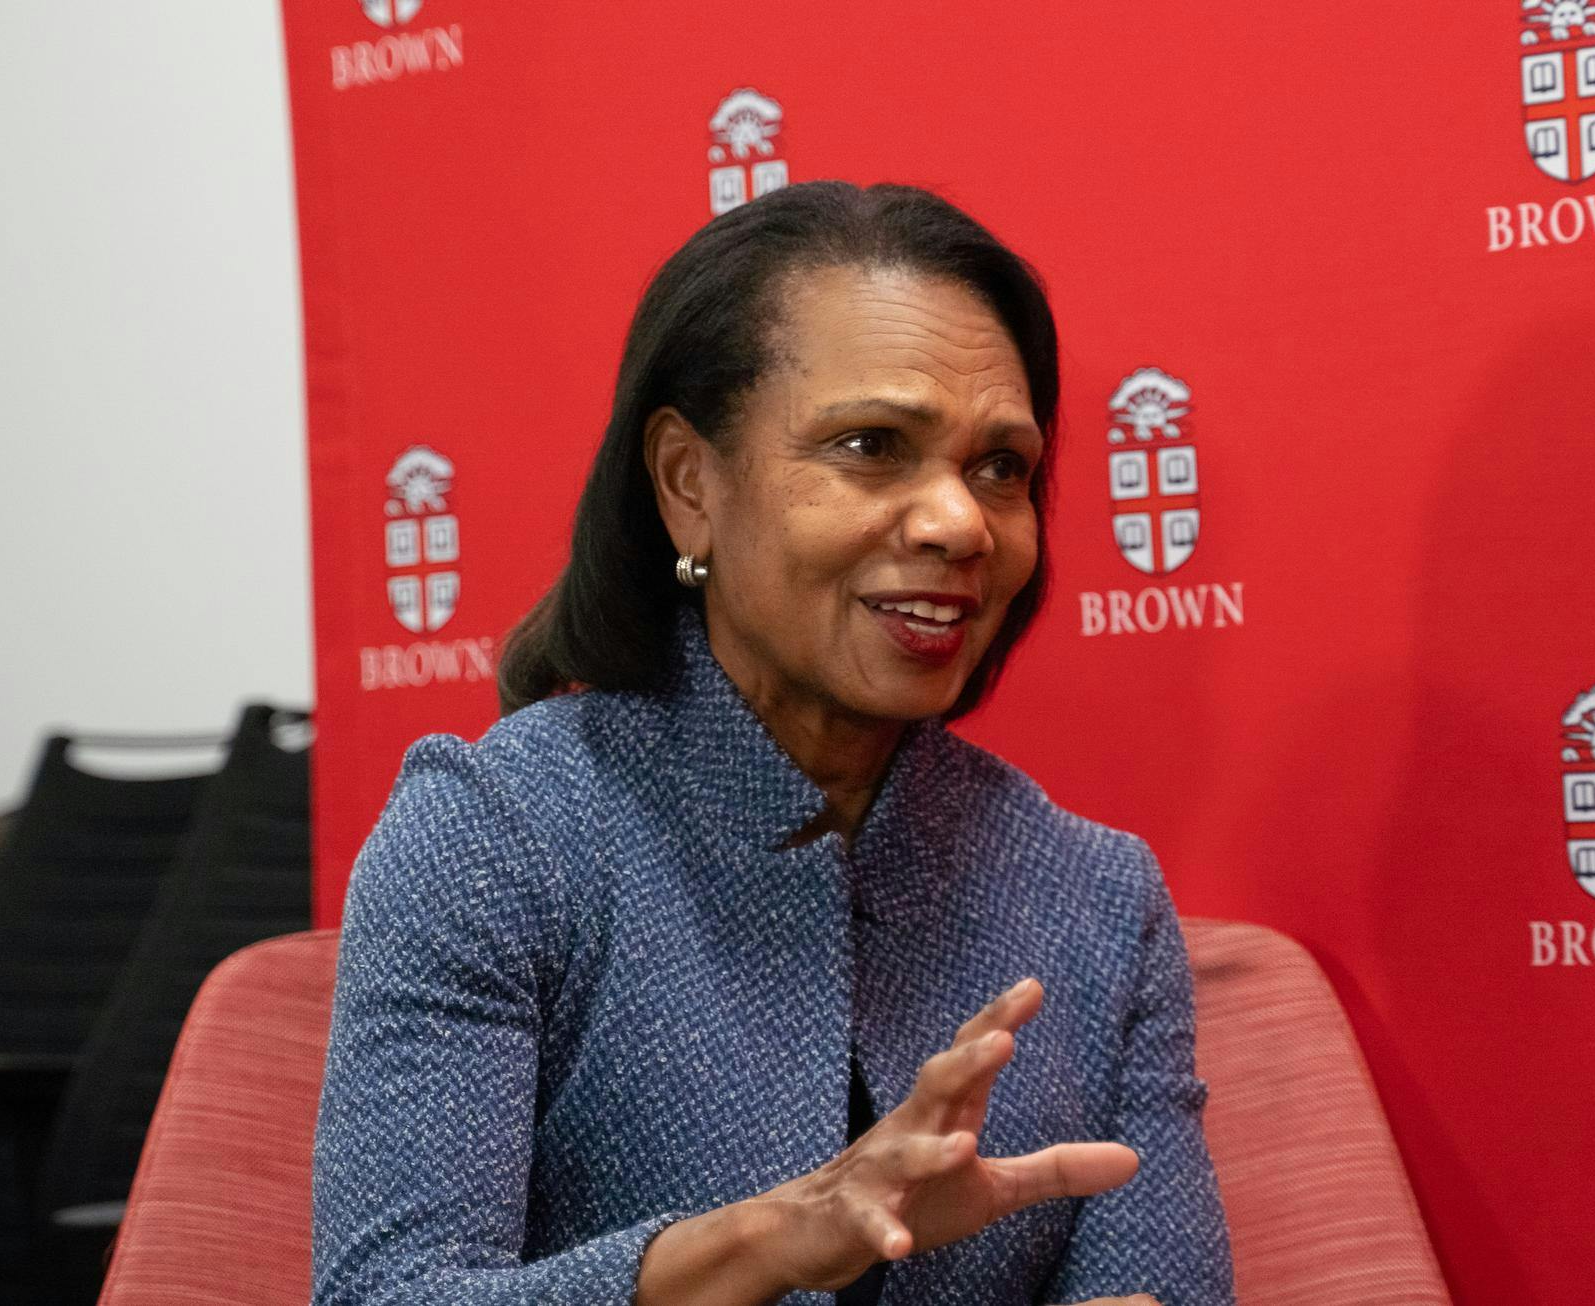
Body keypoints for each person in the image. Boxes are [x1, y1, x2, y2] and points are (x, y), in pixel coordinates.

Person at [311, 180, 1235, 1306]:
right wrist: (767, 1242)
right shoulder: (496, 835)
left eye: (999, 466)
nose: (957, 521)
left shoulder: (1096, 899)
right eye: (871, 445)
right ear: (688, 485)